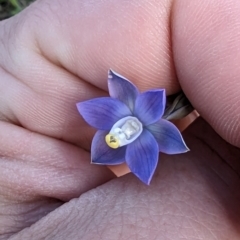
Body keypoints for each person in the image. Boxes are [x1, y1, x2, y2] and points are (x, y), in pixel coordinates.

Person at [1, 0, 240, 239]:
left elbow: (152, 117)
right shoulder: (124, 134)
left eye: (122, 132)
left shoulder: (150, 115)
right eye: (123, 132)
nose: (122, 133)